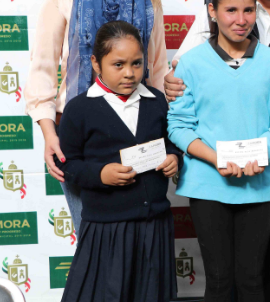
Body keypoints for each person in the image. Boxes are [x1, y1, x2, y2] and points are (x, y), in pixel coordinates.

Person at [24, 0, 168, 238]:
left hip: (138, 130)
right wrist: (49, 134)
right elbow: (43, 67)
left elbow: (157, 68)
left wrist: (166, 133)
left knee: (139, 237)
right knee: (92, 238)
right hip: (80, 134)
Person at [167, 0, 270, 302]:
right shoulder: (190, 63)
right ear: (212, 11)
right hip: (208, 185)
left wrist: (262, 153)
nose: (241, 20)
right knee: (219, 280)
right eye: (231, 10)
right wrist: (217, 159)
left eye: (248, 10)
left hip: (258, 184)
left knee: (252, 280)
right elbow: (179, 126)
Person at [56, 21, 180, 302]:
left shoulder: (157, 102)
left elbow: (171, 141)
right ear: (96, 63)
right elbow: (68, 164)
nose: (129, 73)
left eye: (137, 63)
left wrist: (174, 157)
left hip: (154, 224)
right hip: (107, 227)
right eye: (118, 64)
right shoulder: (79, 109)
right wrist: (100, 174)